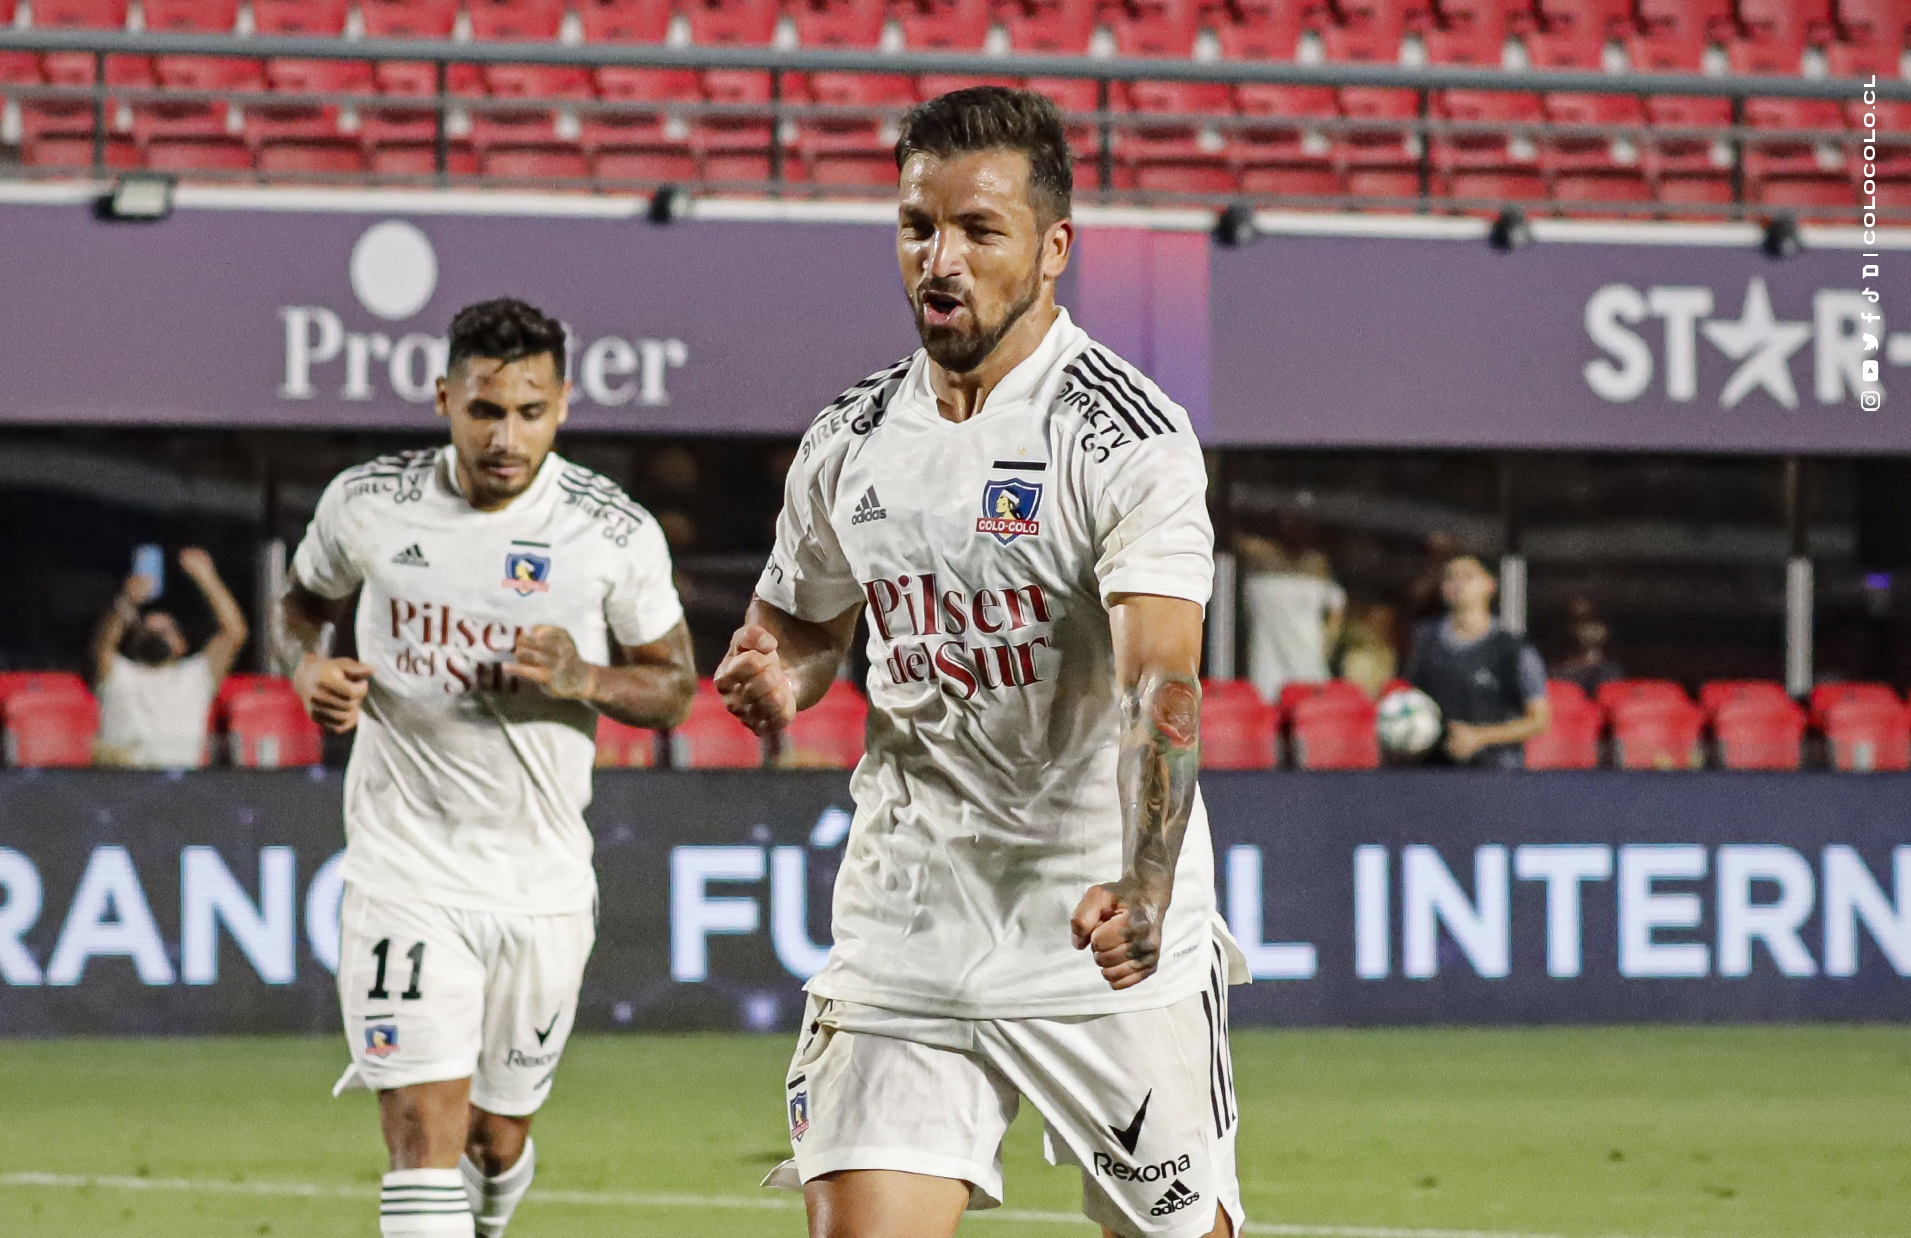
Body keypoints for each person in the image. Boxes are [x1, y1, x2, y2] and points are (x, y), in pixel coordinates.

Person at [715, 87, 1246, 1238]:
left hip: (1091, 917)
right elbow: (801, 631)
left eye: (978, 229)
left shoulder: (1126, 436)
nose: (938, 260)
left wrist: (1147, 885)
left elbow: (1161, 682)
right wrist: (780, 676)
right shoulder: (848, 439)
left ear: (1054, 248)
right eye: (917, 227)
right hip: (909, 911)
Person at [280, 298, 696, 1238]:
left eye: (529, 411)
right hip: (406, 867)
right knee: (421, 1131)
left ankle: (494, 1209)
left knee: (492, 1136)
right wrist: (307, 664)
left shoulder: (611, 533)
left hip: (539, 880)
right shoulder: (367, 503)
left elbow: (674, 688)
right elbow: (301, 604)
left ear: (563, 405)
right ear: (443, 399)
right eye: (484, 411)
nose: (507, 436)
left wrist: (582, 675)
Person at [90, 546, 248, 768]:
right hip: (123, 784)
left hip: (179, 787)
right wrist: (126, 602)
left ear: (182, 645)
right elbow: (103, 645)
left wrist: (206, 577)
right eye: (148, 631)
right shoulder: (118, 675)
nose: (155, 633)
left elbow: (234, 633)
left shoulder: (195, 677)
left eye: (164, 632)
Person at [1406, 555, 1551, 769]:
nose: (1458, 584)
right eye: (1450, 577)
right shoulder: (1424, 641)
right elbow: (1411, 701)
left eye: (1468, 576)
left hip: (1496, 774)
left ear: (1489, 585)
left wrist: (1479, 736)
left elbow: (1538, 720)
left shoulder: (1513, 648)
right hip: (1433, 772)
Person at [1235, 526, 1344, 703]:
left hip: (1309, 685)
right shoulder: (1258, 565)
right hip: (1268, 687)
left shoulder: (1317, 568)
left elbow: (1336, 613)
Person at [1554, 597, 1623, 696]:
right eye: (1578, 620)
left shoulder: (1610, 671)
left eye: (1589, 619)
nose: (1585, 626)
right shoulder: (1560, 674)